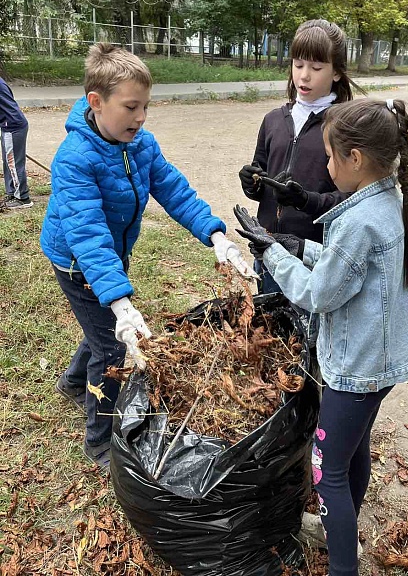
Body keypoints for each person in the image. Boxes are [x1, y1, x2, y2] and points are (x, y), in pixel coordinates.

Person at [40, 43, 256, 471]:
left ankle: (70, 383)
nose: (140, 118)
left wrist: (214, 235)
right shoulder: (75, 158)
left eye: (145, 107)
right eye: (131, 107)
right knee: (113, 350)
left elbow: (172, 189)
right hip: (79, 262)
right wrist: (119, 298)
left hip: (111, 256)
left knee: (103, 329)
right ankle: (99, 442)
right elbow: (87, 236)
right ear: (96, 103)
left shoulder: (140, 144)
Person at [234, 98, 408, 576]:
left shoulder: (360, 221)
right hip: (382, 362)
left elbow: (317, 293)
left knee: (326, 467)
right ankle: (343, 529)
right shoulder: (390, 199)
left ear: (355, 159)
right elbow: (352, 269)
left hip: (355, 366)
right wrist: (302, 246)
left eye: (330, 157)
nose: (326, 166)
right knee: (351, 449)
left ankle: (343, 566)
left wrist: (273, 250)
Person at [238, 19, 355, 299]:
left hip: (313, 258)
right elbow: (262, 175)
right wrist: (252, 184)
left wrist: (305, 200)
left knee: (308, 339)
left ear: (337, 72)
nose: (304, 76)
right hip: (268, 249)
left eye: (316, 68)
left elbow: (351, 201)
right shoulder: (273, 121)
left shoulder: (345, 126)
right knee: (271, 335)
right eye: (298, 64)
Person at [0, 76, 33, 209]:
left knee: (13, 163)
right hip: (8, 125)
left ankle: (23, 198)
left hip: (12, 126)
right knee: (8, 162)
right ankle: (13, 193)